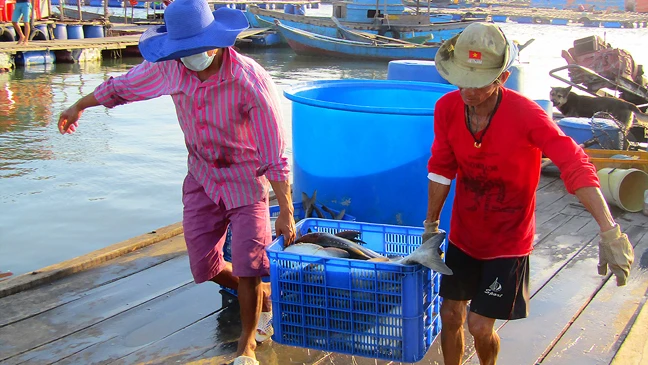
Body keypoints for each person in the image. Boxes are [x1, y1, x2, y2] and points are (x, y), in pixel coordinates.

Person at [57, 1, 296, 364]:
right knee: (206, 266)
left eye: (196, 50)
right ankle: (263, 296)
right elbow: (122, 87)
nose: (190, 58)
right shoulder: (170, 68)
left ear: (217, 42)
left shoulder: (249, 80)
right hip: (201, 176)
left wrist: (286, 210)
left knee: (248, 262)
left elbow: (274, 152)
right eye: (182, 51)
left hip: (246, 181)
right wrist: (79, 104)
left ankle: (245, 346)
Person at [421, 22, 634, 365]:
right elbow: (442, 166)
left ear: (502, 78)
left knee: (479, 325)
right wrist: (431, 224)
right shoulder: (447, 107)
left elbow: (574, 162)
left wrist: (609, 229)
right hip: (464, 234)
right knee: (450, 316)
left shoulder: (527, 115)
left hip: (508, 241)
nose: (468, 92)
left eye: (478, 83)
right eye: (462, 80)